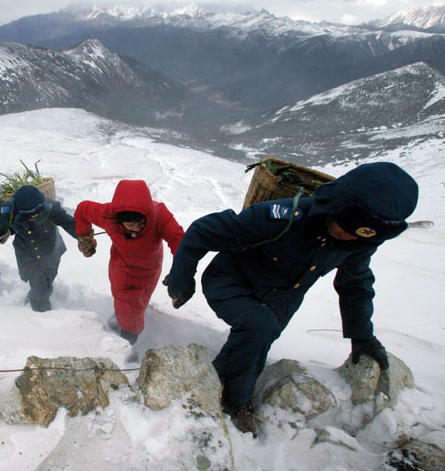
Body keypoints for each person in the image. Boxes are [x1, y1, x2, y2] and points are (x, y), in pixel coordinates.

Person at [165, 162, 419, 436]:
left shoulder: (358, 241)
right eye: (345, 225)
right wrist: (181, 280)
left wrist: (362, 336)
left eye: (358, 234)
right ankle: (233, 403)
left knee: (257, 340)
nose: (346, 235)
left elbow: (355, 283)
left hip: (283, 298)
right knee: (258, 326)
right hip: (230, 281)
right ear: (336, 204)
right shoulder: (282, 218)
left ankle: (214, 381)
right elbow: (203, 231)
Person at [74, 180, 185, 357]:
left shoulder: (159, 215)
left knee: (138, 304)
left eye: (141, 223)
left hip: (150, 270)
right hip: (122, 270)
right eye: (131, 225)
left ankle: (118, 321)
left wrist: (181, 272)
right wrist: (85, 238)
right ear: (118, 220)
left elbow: (180, 241)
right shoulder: (108, 215)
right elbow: (82, 210)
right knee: (130, 312)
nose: (137, 228)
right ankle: (126, 345)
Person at [0, 185, 77, 311]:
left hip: (50, 249)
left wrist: (84, 237)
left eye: (36, 214)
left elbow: (70, 223)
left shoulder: (51, 208)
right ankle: (42, 316)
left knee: (48, 280)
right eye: (28, 215)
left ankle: (33, 297)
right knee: (39, 284)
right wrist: (4, 233)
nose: (33, 217)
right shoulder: (6, 211)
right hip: (27, 253)